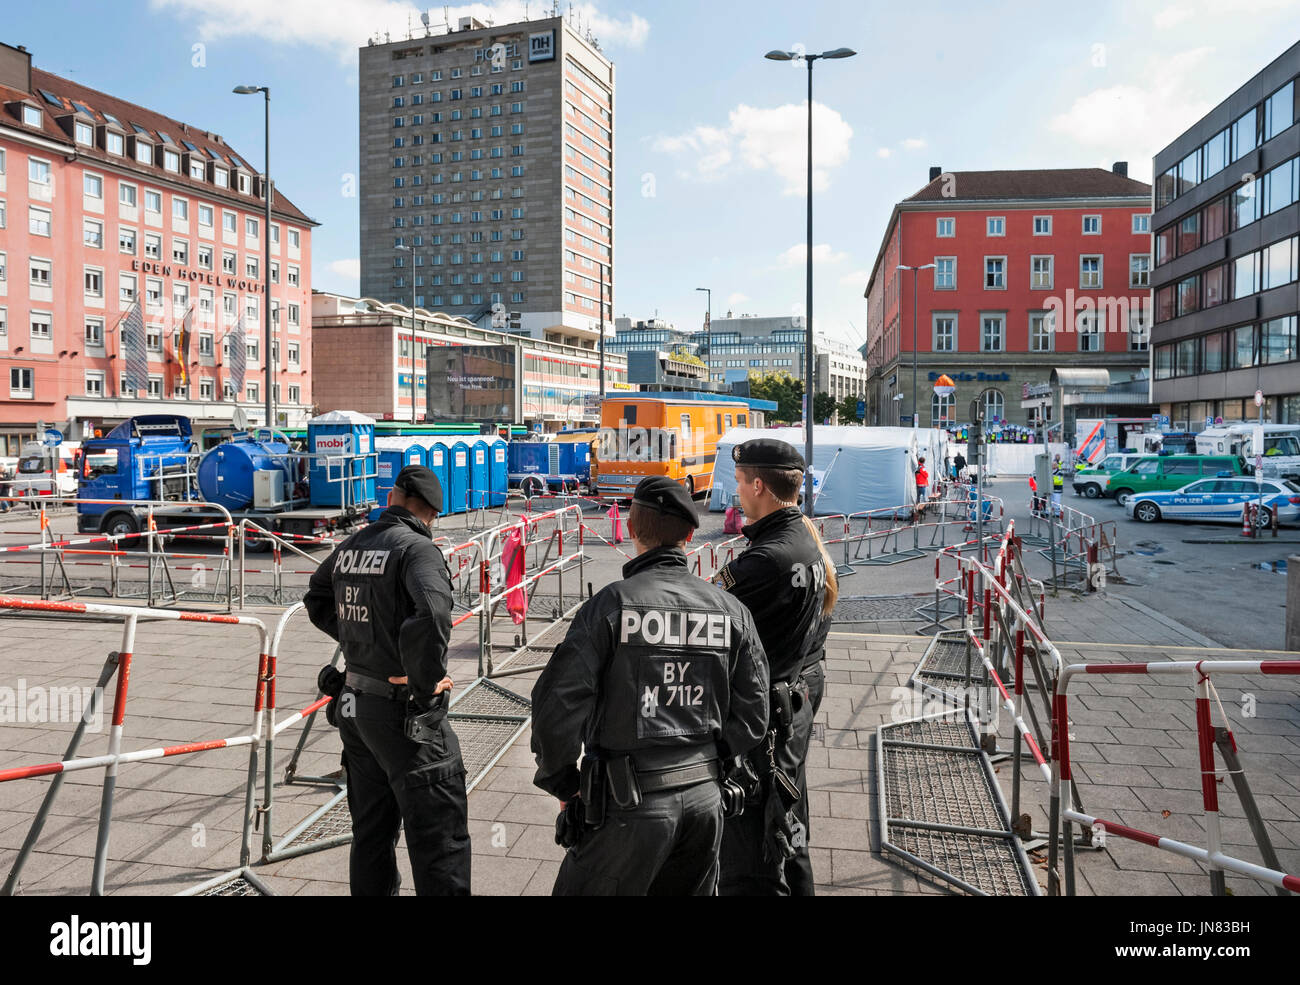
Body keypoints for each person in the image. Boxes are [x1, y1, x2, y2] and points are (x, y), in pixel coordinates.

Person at [532, 476, 769, 895]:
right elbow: (753, 714)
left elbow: (557, 705)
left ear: (633, 528)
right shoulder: (731, 610)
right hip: (704, 802)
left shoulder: (612, 605)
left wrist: (566, 785)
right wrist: (713, 760)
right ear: (691, 535)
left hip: (626, 808)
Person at [304, 465, 470, 896]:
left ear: (394, 496)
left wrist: (363, 639)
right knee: (440, 843)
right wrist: (426, 680)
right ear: (433, 511)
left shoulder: (352, 545)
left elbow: (316, 596)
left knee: (372, 834)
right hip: (402, 716)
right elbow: (433, 613)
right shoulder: (416, 549)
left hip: (357, 707)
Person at [714, 439, 839, 896]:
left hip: (762, 725)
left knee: (754, 857)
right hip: (793, 712)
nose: (738, 492)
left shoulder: (763, 561)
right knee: (789, 832)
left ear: (760, 485)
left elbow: (707, 629)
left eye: (742, 482)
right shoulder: (807, 540)